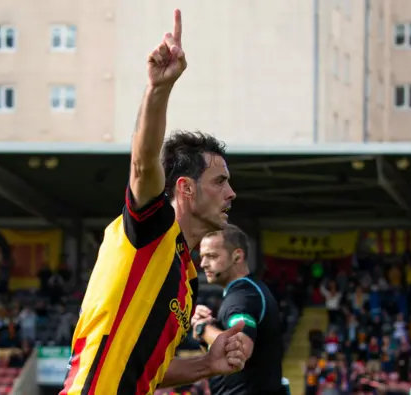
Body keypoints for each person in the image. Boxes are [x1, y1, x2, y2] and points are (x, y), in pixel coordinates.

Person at [60, 9, 243, 395]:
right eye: (220, 181)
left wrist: (207, 364)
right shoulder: (153, 229)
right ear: (186, 188)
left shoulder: (187, 279)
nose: (231, 194)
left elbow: (148, 370)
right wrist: (158, 90)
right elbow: (144, 167)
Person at [192, 225, 285, 395]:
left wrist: (202, 328)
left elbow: (240, 350)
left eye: (212, 256)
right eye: (202, 256)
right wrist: (208, 332)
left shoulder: (242, 297)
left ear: (237, 256)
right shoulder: (250, 291)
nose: (203, 264)